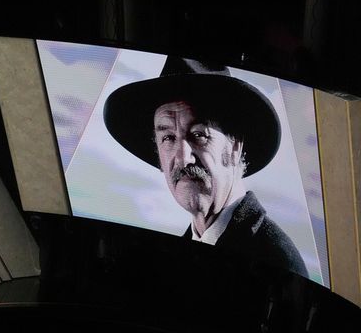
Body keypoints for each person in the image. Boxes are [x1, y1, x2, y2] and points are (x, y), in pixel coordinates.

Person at [103, 56, 307, 277]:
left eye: (199, 134)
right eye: (168, 138)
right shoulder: (173, 261)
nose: (183, 158)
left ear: (235, 145)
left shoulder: (277, 263)